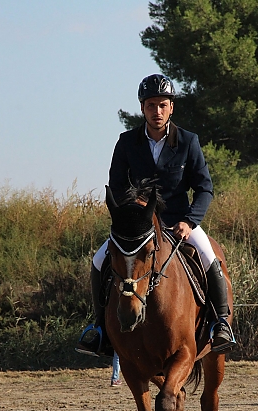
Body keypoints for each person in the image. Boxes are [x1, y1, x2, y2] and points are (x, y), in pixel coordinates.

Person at [78, 73, 235, 355]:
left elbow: (204, 189)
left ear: (171, 107)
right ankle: (99, 327)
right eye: (151, 105)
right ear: (142, 108)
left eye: (162, 105)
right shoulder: (126, 142)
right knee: (99, 260)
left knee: (211, 258)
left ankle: (220, 323)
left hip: (178, 223)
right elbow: (116, 186)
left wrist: (190, 221)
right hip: (138, 227)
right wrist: (132, 211)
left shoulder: (188, 141)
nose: (157, 111)